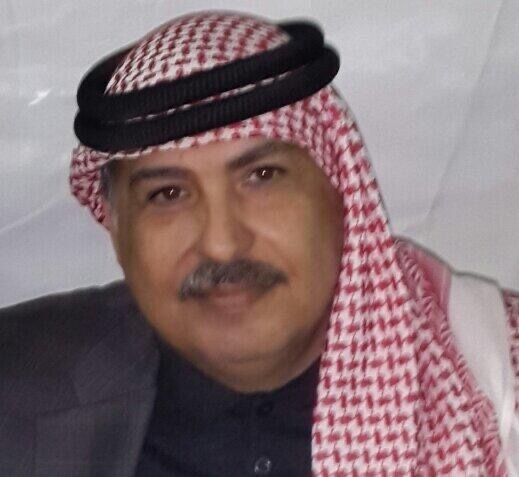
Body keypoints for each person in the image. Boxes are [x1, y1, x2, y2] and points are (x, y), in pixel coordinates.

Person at [1, 10, 518, 477]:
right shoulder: (15, 380)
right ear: (116, 228)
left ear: (341, 194)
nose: (222, 245)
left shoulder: (498, 378)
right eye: (168, 194)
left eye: (263, 176)